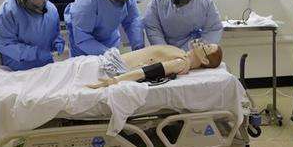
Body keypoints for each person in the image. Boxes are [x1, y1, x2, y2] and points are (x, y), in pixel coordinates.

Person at [0, 0, 65, 71]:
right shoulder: (8, 13)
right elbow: (4, 44)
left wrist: (57, 41)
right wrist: (35, 53)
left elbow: (54, 33)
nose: (44, 1)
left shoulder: (51, 10)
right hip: (15, 70)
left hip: (44, 68)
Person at [87, 39, 222, 89]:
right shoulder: (181, 53)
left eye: (206, 47)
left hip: (110, 69)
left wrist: (113, 81)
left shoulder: (181, 63)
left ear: (204, 60)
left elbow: (146, 72)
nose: (202, 43)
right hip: (107, 62)